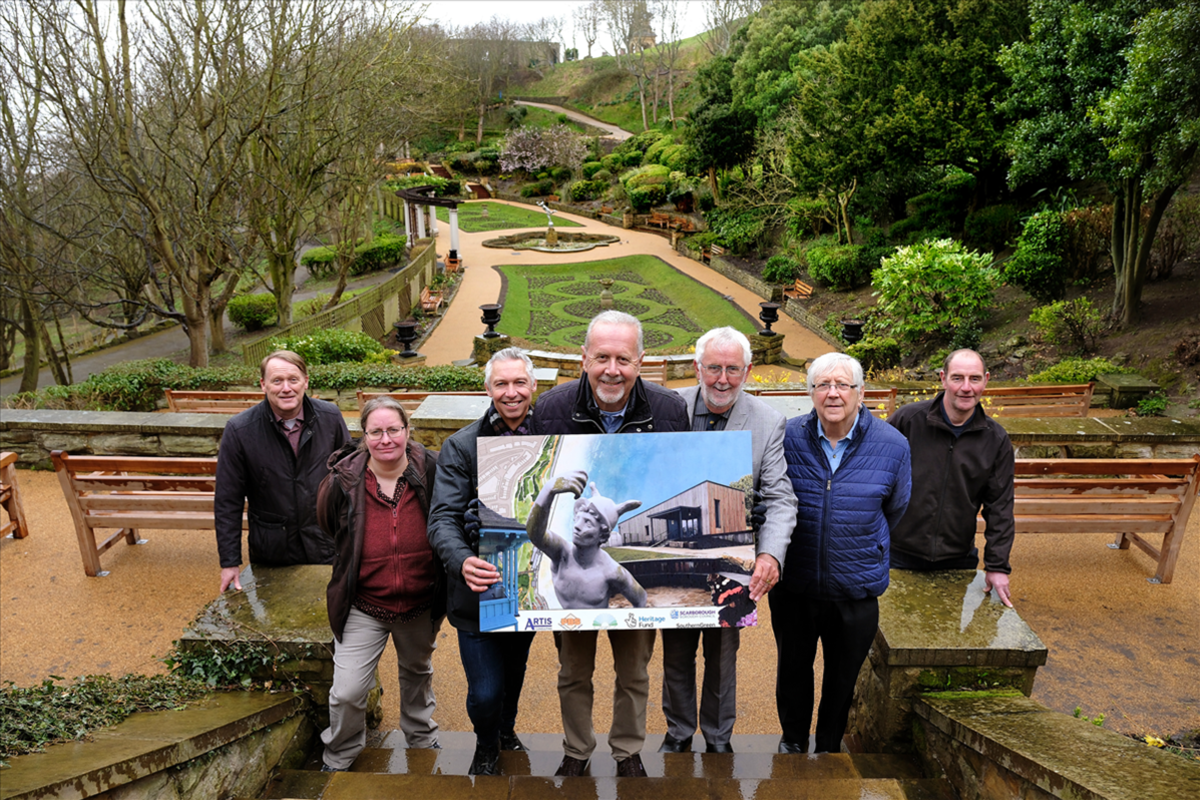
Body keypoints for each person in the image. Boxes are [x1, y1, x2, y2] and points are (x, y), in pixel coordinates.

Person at [534, 310, 690, 778]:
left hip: (616, 591)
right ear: (584, 359)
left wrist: (654, 605)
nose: (612, 369)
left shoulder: (668, 411)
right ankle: (576, 751)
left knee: (635, 673)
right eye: (601, 357)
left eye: (623, 358)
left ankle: (627, 752)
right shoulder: (552, 409)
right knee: (573, 673)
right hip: (575, 594)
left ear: (640, 362)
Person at [661, 327, 797, 754]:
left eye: (733, 369)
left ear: (748, 370)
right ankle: (679, 733)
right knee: (676, 651)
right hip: (678, 549)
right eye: (714, 368)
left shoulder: (768, 421)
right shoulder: (669, 407)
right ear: (698, 367)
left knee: (723, 654)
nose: (723, 379)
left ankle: (719, 738)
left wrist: (771, 553)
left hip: (732, 555)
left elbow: (779, 497)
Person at [773, 352, 911, 754]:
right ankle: (793, 742)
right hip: (795, 584)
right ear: (810, 392)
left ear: (860, 392)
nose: (832, 393)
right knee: (793, 671)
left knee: (842, 677)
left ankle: (828, 747)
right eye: (822, 385)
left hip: (856, 588)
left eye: (842, 385)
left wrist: (863, 544)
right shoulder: (785, 437)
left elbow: (896, 506)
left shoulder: (893, 444)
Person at [426, 348, 540, 776]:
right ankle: (486, 740)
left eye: (519, 383)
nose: (511, 393)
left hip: (526, 588)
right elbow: (442, 519)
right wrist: (461, 560)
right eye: (501, 384)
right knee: (485, 689)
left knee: (514, 671)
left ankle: (505, 730)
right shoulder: (461, 445)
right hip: (476, 590)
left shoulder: (553, 438)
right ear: (487, 388)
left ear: (533, 386)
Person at [317, 397, 443, 770]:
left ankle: (421, 739)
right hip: (364, 604)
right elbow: (329, 526)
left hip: (419, 602)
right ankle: (340, 753)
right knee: (348, 690)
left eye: (393, 430)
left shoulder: (432, 470)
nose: (385, 439)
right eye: (376, 431)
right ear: (364, 436)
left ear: (407, 431)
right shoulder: (342, 481)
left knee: (417, 674)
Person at [887, 349, 1016, 607]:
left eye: (975, 379)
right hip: (896, 554)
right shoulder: (908, 421)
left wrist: (997, 566)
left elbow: (1000, 507)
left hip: (957, 558)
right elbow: (871, 475)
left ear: (986, 380)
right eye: (958, 378)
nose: (966, 388)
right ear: (943, 378)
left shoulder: (996, 440)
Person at [214, 350, 350, 592]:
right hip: (271, 552)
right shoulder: (239, 430)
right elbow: (227, 500)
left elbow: (351, 482)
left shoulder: (330, 418)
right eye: (277, 381)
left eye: (293, 380)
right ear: (263, 385)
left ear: (306, 381)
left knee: (331, 622)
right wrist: (230, 561)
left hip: (326, 544)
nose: (286, 388)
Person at [526, 471, 646, 608]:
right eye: (578, 519)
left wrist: (629, 626)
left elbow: (640, 599)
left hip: (598, 623)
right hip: (569, 624)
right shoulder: (562, 553)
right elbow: (536, 534)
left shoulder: (612, 571)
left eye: (587, 523)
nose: (577, 526)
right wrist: (548, 490)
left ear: (602, 535)